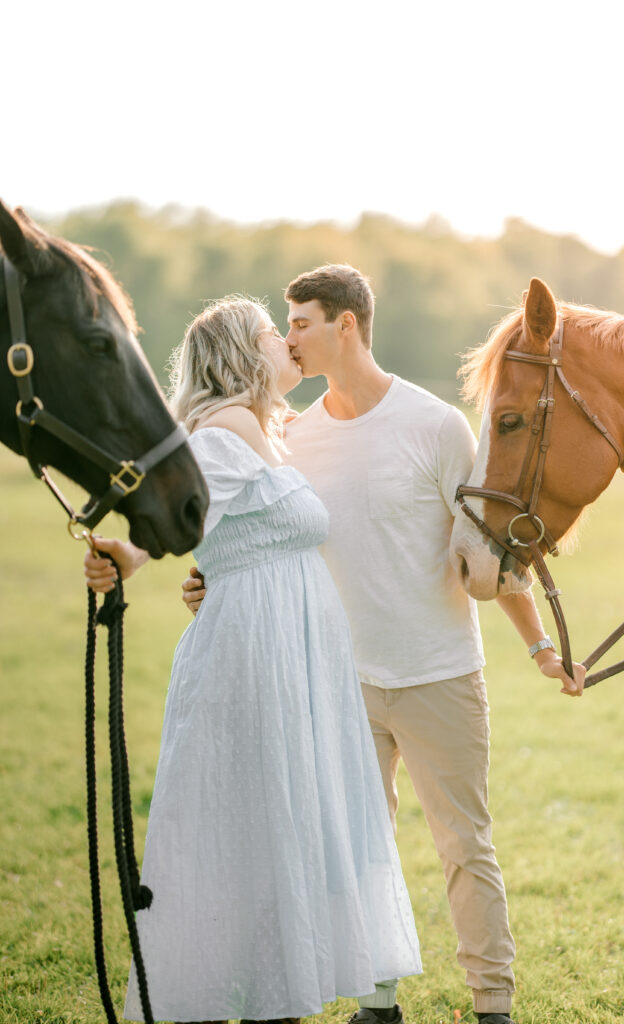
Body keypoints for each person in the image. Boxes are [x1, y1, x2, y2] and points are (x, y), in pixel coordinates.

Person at [179, 266, 586, 1024]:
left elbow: (484, 552)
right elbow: (261, 530)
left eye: (299, 322)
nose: (289, 337)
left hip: (440, 675)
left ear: (346, 326)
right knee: (355, 849)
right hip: (337, 680)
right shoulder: (289, 436)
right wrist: (209, 582)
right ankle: (378, 1003)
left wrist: (539, 649)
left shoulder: (433, 425)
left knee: (465, 846)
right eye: (284, 325)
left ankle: (491, 1004)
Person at [84, 295, 422, 1024]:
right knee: (253, 825)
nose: (288, 343)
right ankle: (261, 996)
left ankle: (282, 990)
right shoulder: (221, 431)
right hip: (252, 657)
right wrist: (131, 556)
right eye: (276, 333)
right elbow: (180, 514)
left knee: (281, 823)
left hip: (292, 653)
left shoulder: (267, 430)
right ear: (242, 352)